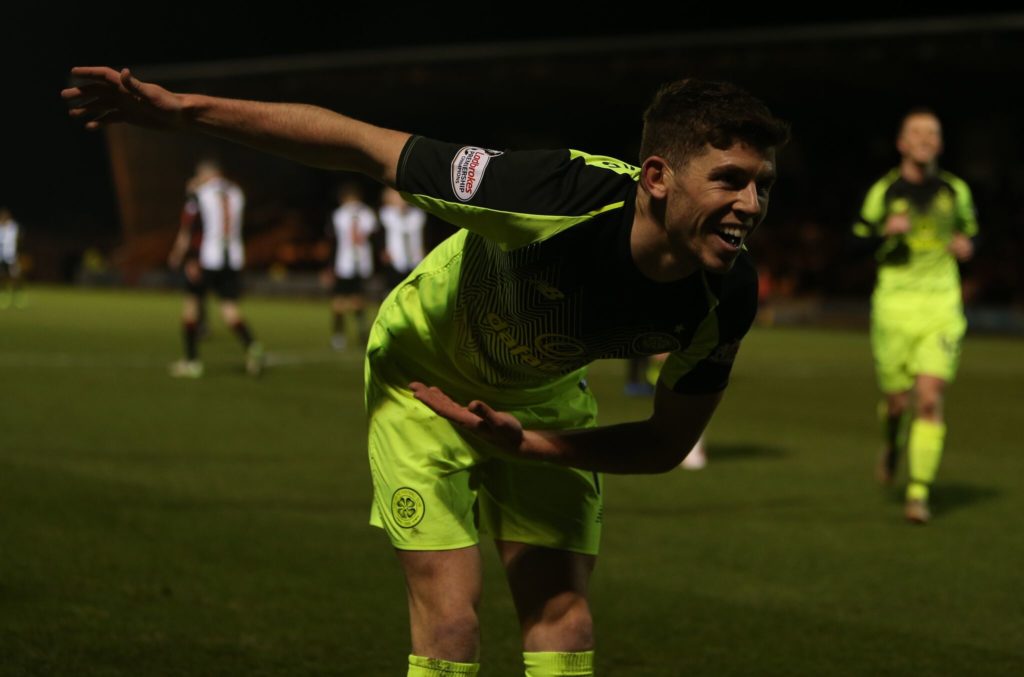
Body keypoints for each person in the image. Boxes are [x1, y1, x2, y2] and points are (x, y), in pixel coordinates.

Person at [64, 67, 787, 675]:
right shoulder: (547, 193)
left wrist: (533, 445)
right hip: (423, 377)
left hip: (540, 399)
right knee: (450, 627)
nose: (749, 206)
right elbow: (360, 144)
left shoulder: (727, 295)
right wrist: (185, 110)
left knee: (564, 621)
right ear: (657, 177)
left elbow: (665, 442)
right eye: (729, 181)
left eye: (761, 185)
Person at [853, 108, 978, 524]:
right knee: (896, 404)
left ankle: (918, 492)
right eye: (916, 132)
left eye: (932, 133)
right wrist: (883, 231)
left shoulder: (956, 190)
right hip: (894, 308)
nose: (925, 138)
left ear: (939, 144)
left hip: (941, 307)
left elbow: (971, 232)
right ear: (902, 143)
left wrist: (967, 246)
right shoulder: (884, 191)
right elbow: (855, 240)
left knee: (928, 399)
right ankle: (892, 443)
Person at [166, 160, 264, 378]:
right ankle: (252, 345)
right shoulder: (237, 193)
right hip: (233, 258)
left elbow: (191, 228)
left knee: (191, 305)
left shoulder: (200, 194)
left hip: (207, 258)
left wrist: (186, 257)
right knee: (229, 307)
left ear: (205, 174)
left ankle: (192, 362)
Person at [327, 182, 376, 350]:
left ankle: (344, 336)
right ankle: (350, 335)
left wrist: (329, 266)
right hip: (349, 263)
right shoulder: (365, 214)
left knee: (345, 302)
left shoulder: (343, 215)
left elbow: (333, 242)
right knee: (352, 301)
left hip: (353, 263)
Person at [378, 185, 427, 290]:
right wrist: (383, 250)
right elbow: (380, 235)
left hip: (414, 257)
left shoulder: (417, 215)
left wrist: (423, 249)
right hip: (394, 258)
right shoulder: (386, 215)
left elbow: (422, 235)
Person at [0, 207, 24, 309]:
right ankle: (3, 295)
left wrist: (17, 251)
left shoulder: (13, 226)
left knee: (15, 276)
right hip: (1, 256)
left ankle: (17, 296)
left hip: (11, 255)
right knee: (2, 276)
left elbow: (19, 238)